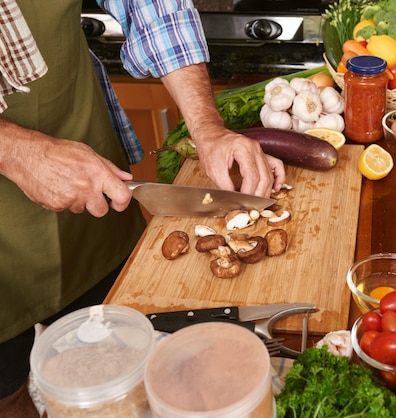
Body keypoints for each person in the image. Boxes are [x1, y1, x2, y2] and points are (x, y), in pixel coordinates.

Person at [0, 0, 286, 415]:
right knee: (9, 392)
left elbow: (154, 7)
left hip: (91, 168)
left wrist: (207, 128)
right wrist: (15, 151)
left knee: (136, 352)